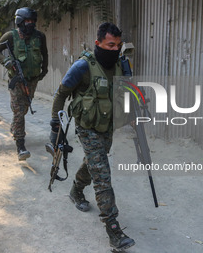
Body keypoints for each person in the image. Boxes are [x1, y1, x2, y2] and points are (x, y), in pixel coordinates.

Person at [50, 22, 135, 251]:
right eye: (110, 45)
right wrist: (54, 125)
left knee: (93, 163)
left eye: (118, 45)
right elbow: (61, 95)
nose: (115, 49)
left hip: (107, 126)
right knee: (102, 174)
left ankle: (76, 189)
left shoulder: (121, 64)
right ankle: (113, 229)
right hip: (87, 128)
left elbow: (128, 92)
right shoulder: (82, 66)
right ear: (97, 43)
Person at [0, 7, 48, 161]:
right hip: (16, 79)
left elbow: (45, 53)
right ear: (20, 21)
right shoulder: (11, 36)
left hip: (32, 79)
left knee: (24, 109)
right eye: (27, 21)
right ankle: (21, 146)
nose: (30, 24)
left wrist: (44, 70)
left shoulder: (40, 36)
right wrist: (6, 62)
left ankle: (15, 127)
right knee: (19, 111)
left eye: (32, 21)